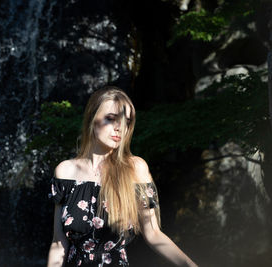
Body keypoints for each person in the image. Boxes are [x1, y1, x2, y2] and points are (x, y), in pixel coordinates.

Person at [47, 86, 197, 267]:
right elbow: (58, 243)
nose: (120, 127)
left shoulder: (135, 169)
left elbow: (154, 234)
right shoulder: (65, 172)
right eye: (111, 119)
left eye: (126, 122)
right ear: (91, 119)